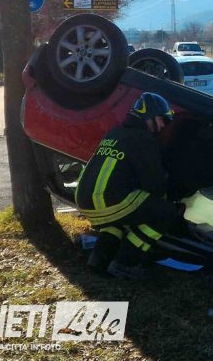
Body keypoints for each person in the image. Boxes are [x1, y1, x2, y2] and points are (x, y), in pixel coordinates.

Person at [75, 92, 182, 279]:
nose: (163, 126)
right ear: (149, 116)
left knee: (120, 219)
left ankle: (98, 260)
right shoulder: (143, 140)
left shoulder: (115, 133)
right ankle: (125, 263)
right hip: (108, 201)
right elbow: (155, 185)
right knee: (165, 213)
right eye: (162, 120)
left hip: (85, 200)